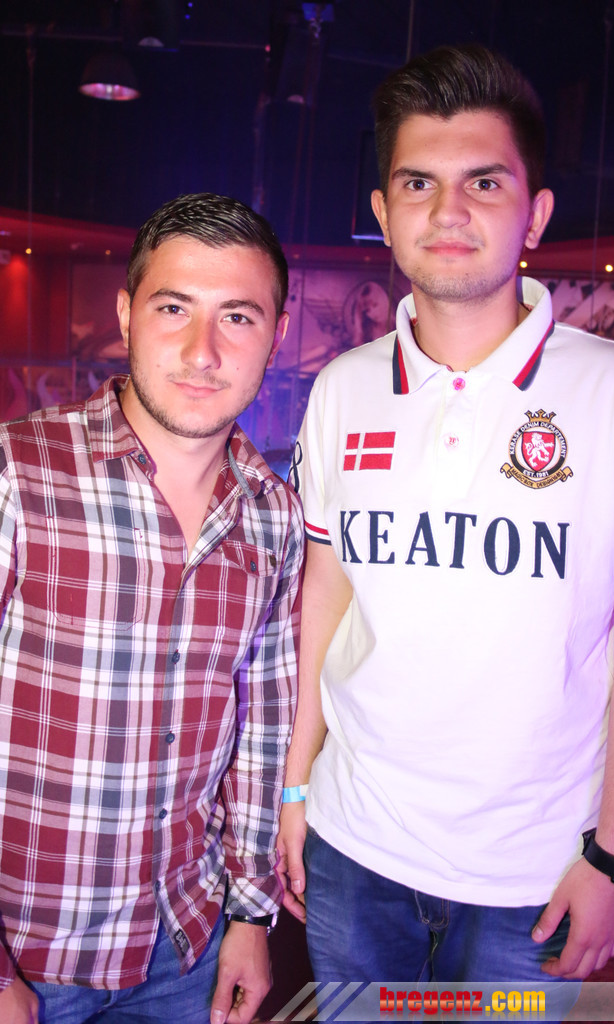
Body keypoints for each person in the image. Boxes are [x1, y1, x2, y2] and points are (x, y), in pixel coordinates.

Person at [276, 43, 614, 995]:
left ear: (533, 214)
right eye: (417, 182)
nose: (447, 210)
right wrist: (295, 787)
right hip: (353, 844)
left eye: (483, 182)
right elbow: (326, 597)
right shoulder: (342, 388)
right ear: (383, 213)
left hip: (531, 873)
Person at [0, 193, 303, 1024]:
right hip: (27, 951)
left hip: (183, 948)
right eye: (174, 308)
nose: (202, 351)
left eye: (236, 317)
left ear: (276, 335)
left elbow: (262, 729)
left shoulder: (274, 515)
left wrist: (250, 916)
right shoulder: (19, 473)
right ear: (127, 313)